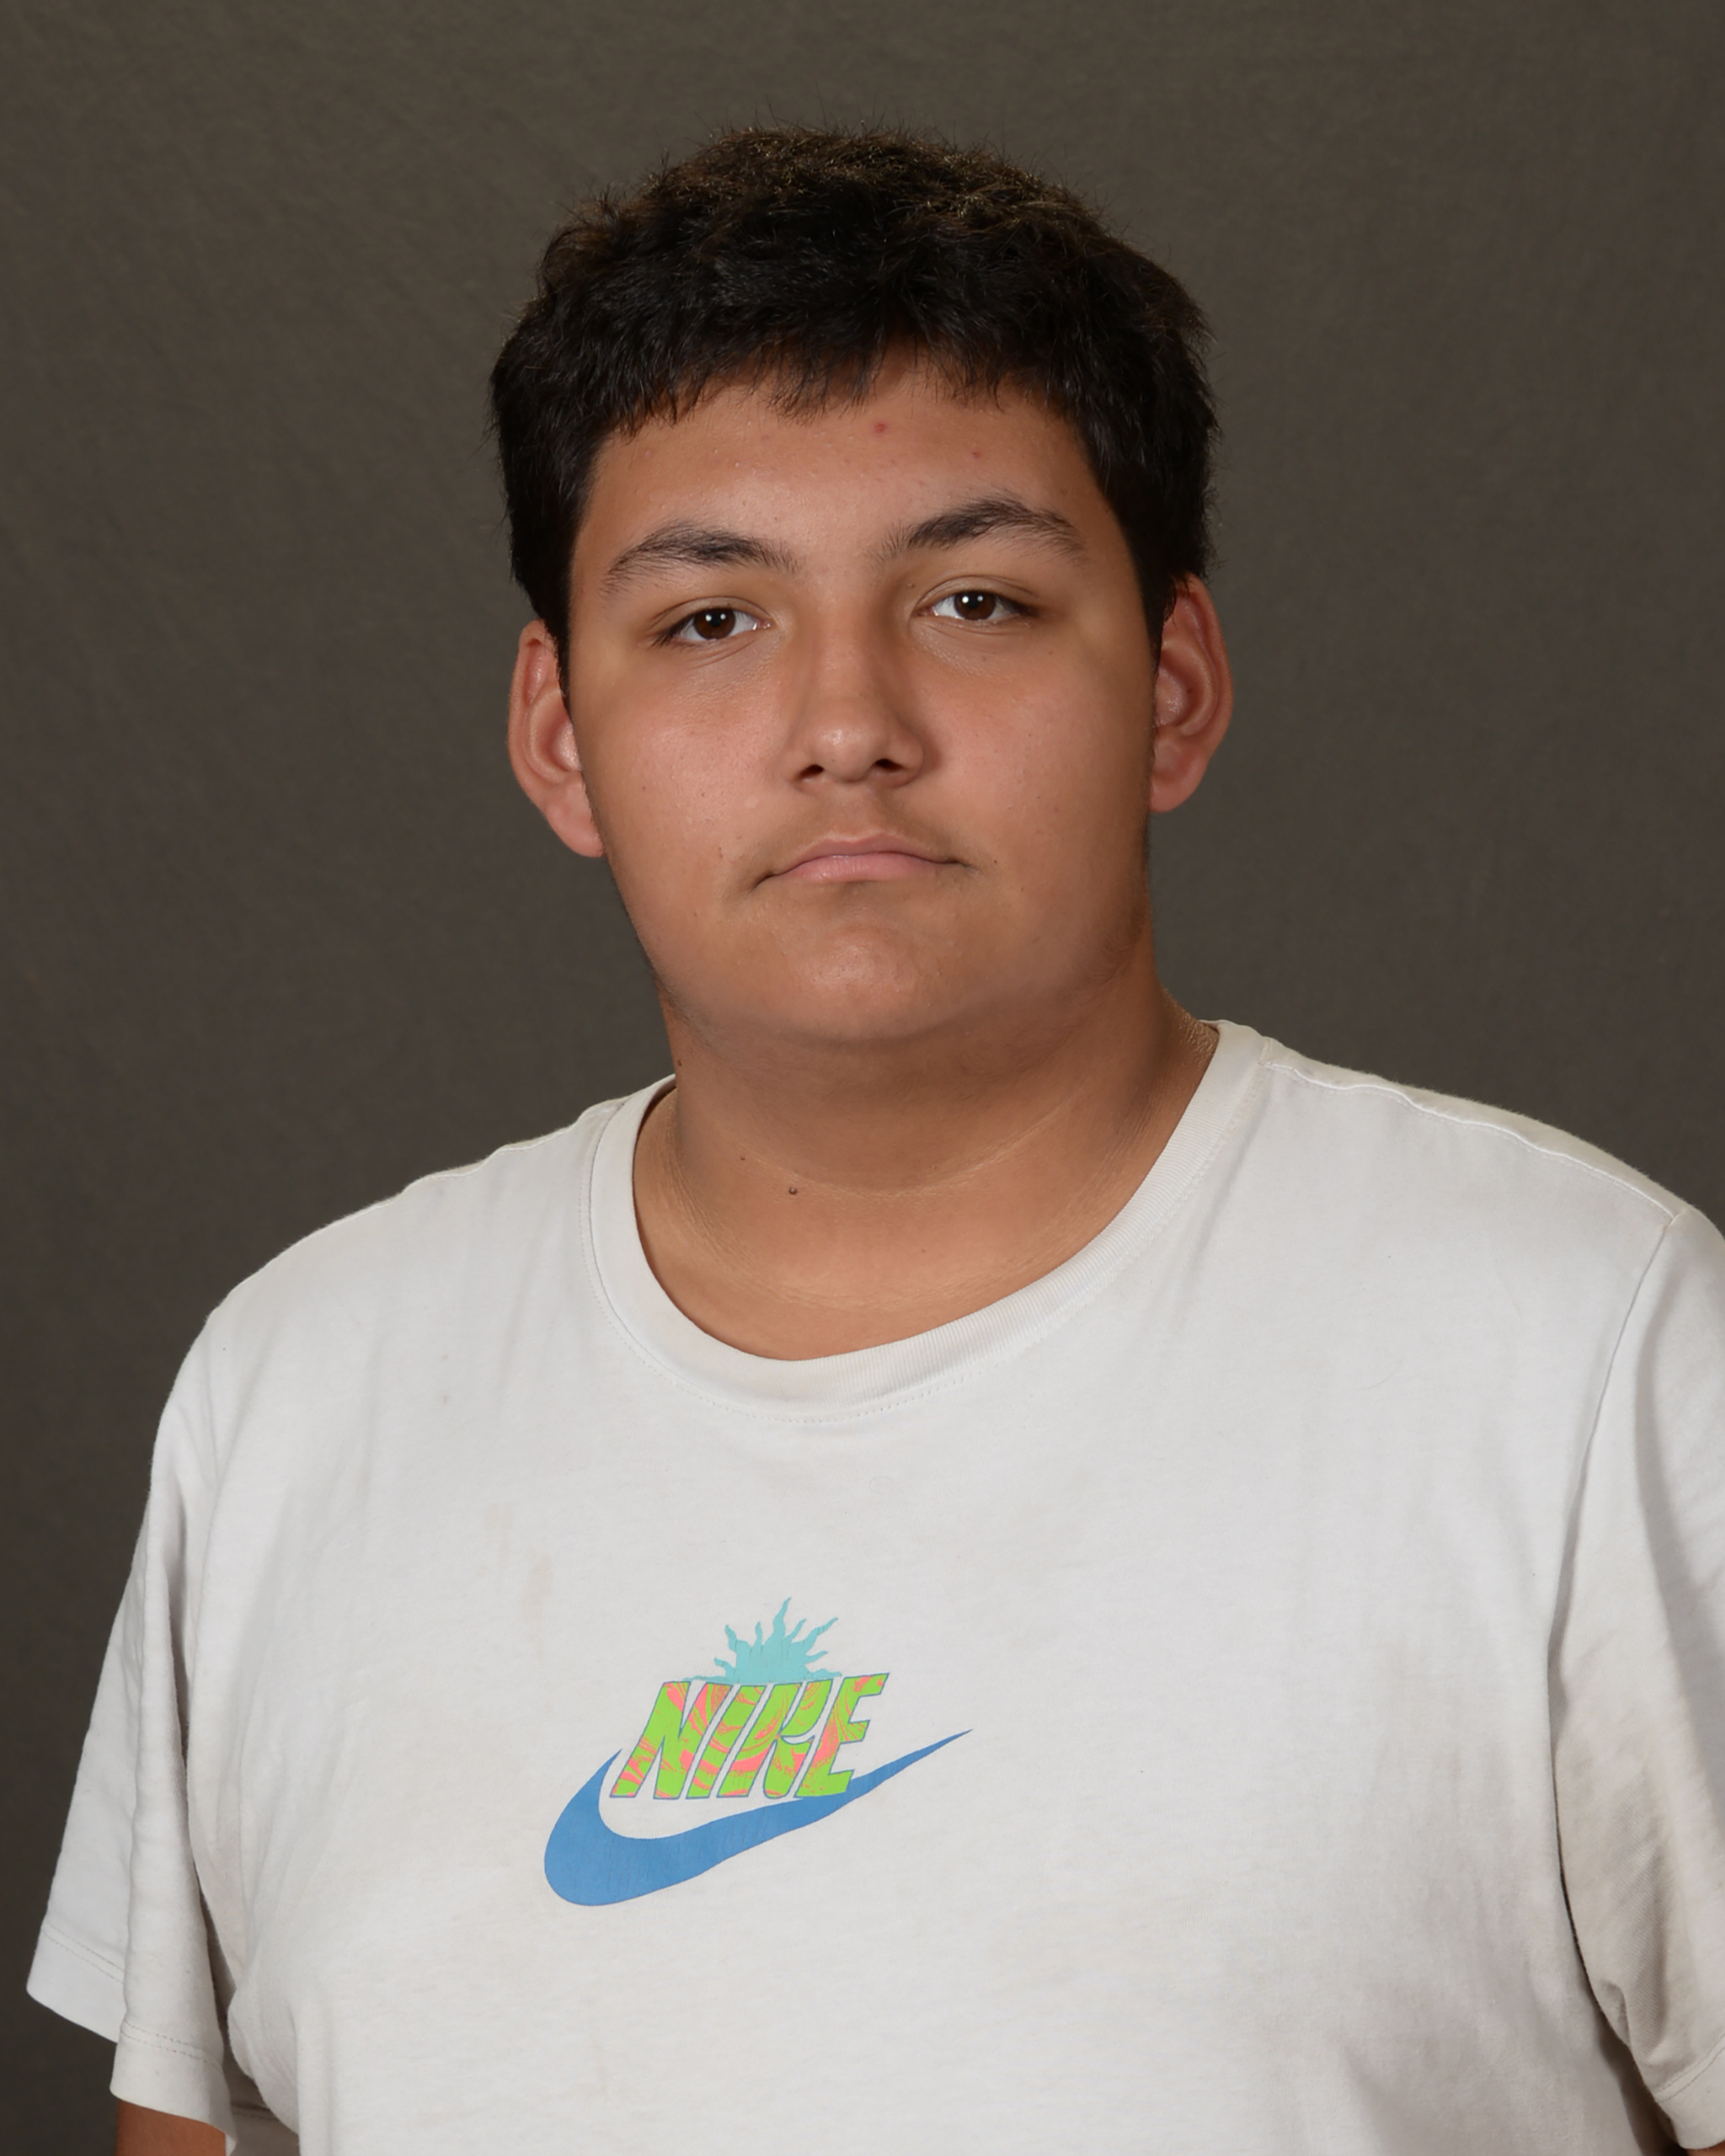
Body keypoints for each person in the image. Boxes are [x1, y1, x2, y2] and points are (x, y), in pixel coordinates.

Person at [27, 125, 1725, 2156]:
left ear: (1173, 688)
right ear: (559, 734)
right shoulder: (300, 1399)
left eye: (977, 599)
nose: (849, 722)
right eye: (711, 620)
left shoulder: (1584, 1357)